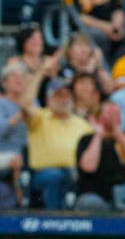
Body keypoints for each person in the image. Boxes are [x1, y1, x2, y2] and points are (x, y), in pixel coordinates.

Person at [20, 50, 93, 210]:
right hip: (44, 174)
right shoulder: (40, 117)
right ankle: (55, 223)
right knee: (55, 177)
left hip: (75, 175)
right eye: (58, 95)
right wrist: (41, 72)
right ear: (48, 99)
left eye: (67, 95)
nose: (64, 98)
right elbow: (25, 104)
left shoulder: (83, 124)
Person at [76, 102, 125, 210]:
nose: (113, 117)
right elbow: (88, 167)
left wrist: (117, 132)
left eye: (117, 113)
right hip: (96, 195)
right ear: (98, 116)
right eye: (109, 113)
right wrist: (98, 136)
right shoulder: (87, 139)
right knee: (90, 203)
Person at [0, 62, 28, 200]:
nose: (19, 79)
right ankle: (20, 199)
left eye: (22, 76)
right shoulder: (0, 103)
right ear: (4, 83)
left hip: (27, 153)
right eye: (14, 76)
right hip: (2, 152)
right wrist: (21, 113)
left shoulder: (33, 102)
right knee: (18, 159)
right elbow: (0, 130)